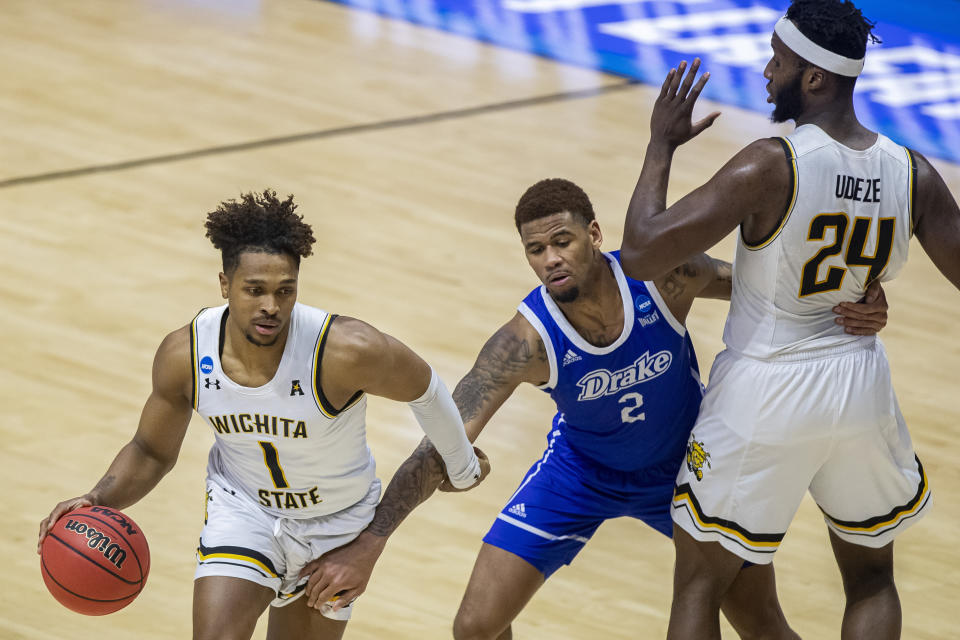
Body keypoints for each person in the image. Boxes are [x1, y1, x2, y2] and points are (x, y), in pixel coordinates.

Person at [298, 175, 889, 639]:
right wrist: (370, 544)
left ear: (594, 234)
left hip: (688, 471)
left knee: (762, 625)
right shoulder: (521, 343)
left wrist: (857, 298)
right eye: (535, 250)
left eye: (562, 241)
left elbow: (763, 287)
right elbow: (441, 441)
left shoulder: (662, 277)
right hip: (581, 472)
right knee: (475, 626)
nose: (551, 258)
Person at [621, 1, 960, 638]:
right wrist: (878, 288)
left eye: (779, 60)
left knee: (699, 580)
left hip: (767, 385)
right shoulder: (912, 172)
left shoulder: (771, 164)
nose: (766, 69)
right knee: (871, 579)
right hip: (860, 386)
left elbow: (641, 253)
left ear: (815, 79)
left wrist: (661, 144)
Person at [37, 190, 490, 640]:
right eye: (254, 290)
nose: (271, 306)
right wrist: (98, 499)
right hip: (244, 510)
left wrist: (461, 464)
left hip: (339, 523)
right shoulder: (186, 354)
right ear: (224, 284)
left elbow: (427, 391)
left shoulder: (347, 350)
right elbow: (151, 451)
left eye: (285, 291)